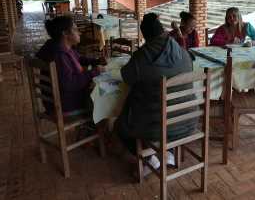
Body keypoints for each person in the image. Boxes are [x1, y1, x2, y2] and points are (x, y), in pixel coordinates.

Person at [114, 12, 199, 177]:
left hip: (154, 125)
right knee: (170, 108)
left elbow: (127, 78)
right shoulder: (186, 54)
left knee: (120, 126)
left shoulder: (140, 57)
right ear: (164, 32)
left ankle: (149, 158)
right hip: (187, 121)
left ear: (143, 35)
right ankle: (169, 153)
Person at [36, 16, 110, 149]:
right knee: (105, 102)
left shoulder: (58, 46)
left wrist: (96, 61)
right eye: (76, 30)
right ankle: (92, 140)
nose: (79, 32)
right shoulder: (59, 54)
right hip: (62, 105)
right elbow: (67, 83)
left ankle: (85, 134)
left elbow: (79, 57)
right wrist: (93, 72)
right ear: (65, 33)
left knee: (97, 95)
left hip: (57, 99)